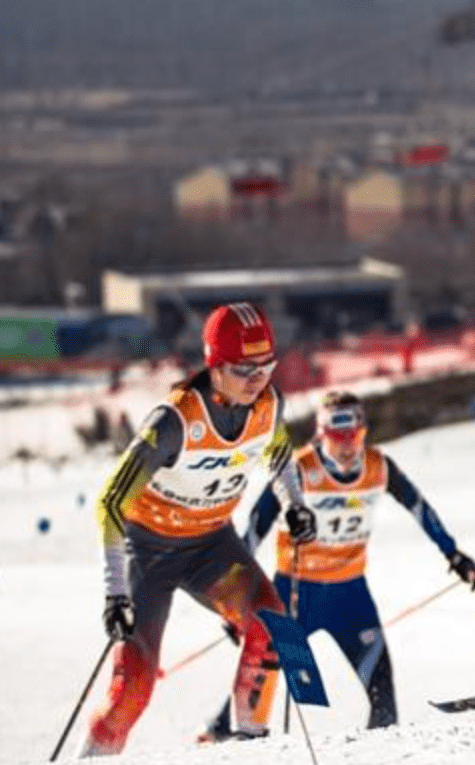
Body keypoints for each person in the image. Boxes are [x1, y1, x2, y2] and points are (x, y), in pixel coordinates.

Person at [85, 302, 316, 755]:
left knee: (272, 628)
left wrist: (296, 504)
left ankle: (250, 749)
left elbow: (279, 453)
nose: (257, 380)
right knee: (133, 689)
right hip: (147, 556)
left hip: (212, 549)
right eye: (243, 369)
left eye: (266, 366)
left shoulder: (268, 405)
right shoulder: (175, 422)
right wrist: (114, 593)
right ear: (213, 364)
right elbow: (110, 503)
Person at [199, 390, 475, 737]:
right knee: (257, 688)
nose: (348, 448)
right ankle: (218, 730)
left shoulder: (379, 467)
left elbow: (420, 509)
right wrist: (235, 599)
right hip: (293, 595)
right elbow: (253, 531)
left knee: (385, 702)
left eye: (355, 437)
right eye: (338, 439)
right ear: (322, 435)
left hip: (351, 597)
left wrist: (454, 555)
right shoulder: (298, 470)